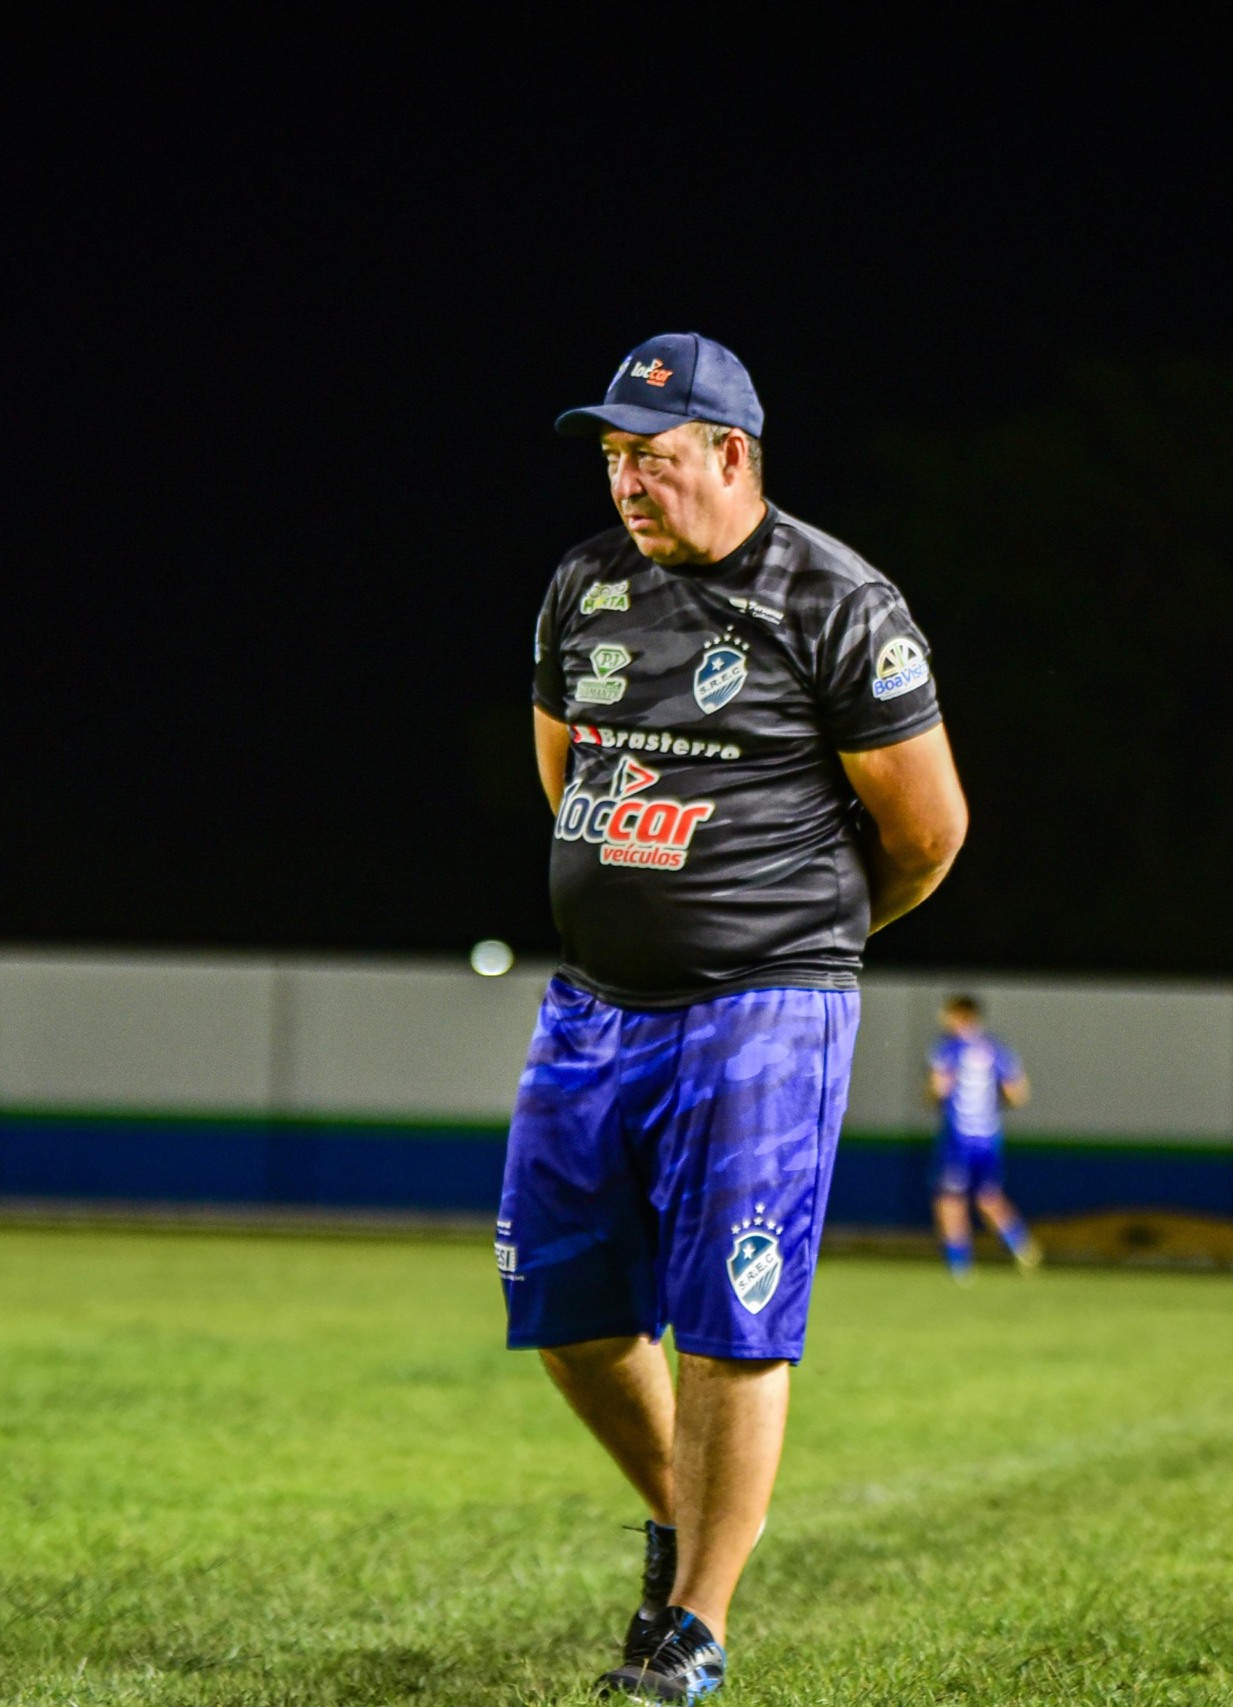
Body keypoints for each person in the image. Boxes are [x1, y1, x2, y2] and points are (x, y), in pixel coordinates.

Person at [500, 333, 968, 1700]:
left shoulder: (839, 600)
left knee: (729, 1315)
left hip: (763, 1009)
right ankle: (682, 1515)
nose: (627, 483)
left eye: (651, 456)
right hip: (595, 1006)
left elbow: (929, 832)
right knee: (566, 1307)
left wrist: (792, 937)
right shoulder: (585, 583)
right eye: (611, 457)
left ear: (732, 455)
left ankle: (694, 1619)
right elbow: (563, 774)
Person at [925, 995, 1039, 1281]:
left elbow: (938, 1089)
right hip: (989, 1136)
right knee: (988, 1197)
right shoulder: (997, 1050)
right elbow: (1018, 1094)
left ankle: (959, 1266)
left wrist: (932, 1096)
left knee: (949, 1199)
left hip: (959, 1136)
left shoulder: (948, 1049)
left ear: (961, 1015)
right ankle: (1022, 1245)